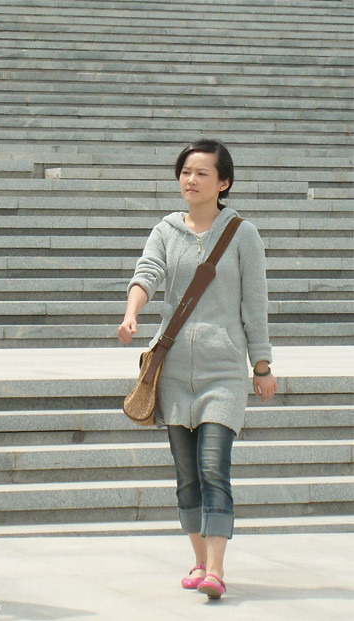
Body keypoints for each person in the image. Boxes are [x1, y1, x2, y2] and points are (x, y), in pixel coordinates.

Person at [117, 139, 278, 600]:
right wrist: (132, 313)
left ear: (223, 183)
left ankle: (217, 569)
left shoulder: (243, 234)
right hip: (172, 371)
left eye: (202, 173)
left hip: (222, 371)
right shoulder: (166, 230)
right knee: (186, 474)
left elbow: (255, 306)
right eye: (186, 171)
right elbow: (147, 272)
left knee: (213, 467)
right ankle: (199, 559)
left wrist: (261, 365)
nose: (191, 180)